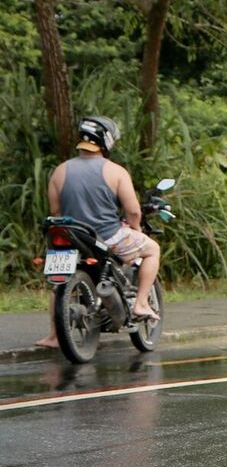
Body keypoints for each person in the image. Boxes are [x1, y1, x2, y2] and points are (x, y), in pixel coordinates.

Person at [37, 116, 161, 348]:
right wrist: (135, 229)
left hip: (71, 235)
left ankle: (55, 336)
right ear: (106, 140)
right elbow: (133, 211)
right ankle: (142, 303)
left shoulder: (59, 171)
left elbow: (55, 210)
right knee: (153, 249)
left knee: (58, 283)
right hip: (108, 237)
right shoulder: (116, 171)